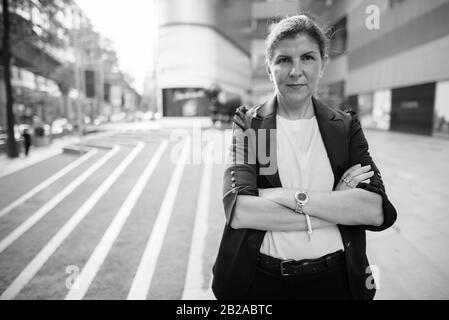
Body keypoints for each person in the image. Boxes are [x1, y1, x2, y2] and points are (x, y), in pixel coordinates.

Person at [212, 14, 397, 300]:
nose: (296, 71)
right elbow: (240, 212)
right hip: (263, 281)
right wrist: (337, 205)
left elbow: (374, 210)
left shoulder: (345, 126)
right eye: (284, 60)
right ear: (269, 68)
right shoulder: (251, 125)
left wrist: (283, 196)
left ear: (322, 64)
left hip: (336, 279)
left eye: (308, 58)